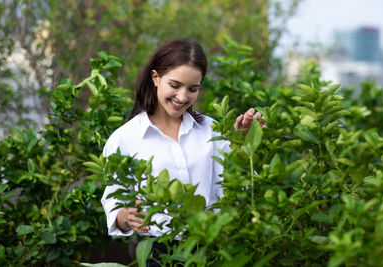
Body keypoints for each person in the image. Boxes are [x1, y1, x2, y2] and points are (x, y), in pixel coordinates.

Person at [100, 37, 262, 264]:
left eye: (192, 89)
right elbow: (113, 201)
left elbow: (238, 189)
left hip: (212, 247)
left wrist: (242, 145)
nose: (183, 97)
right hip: (160, 253)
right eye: (175, 85)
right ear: (155, 78)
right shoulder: (125, 139)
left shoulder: (210, 129)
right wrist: (125, 217)